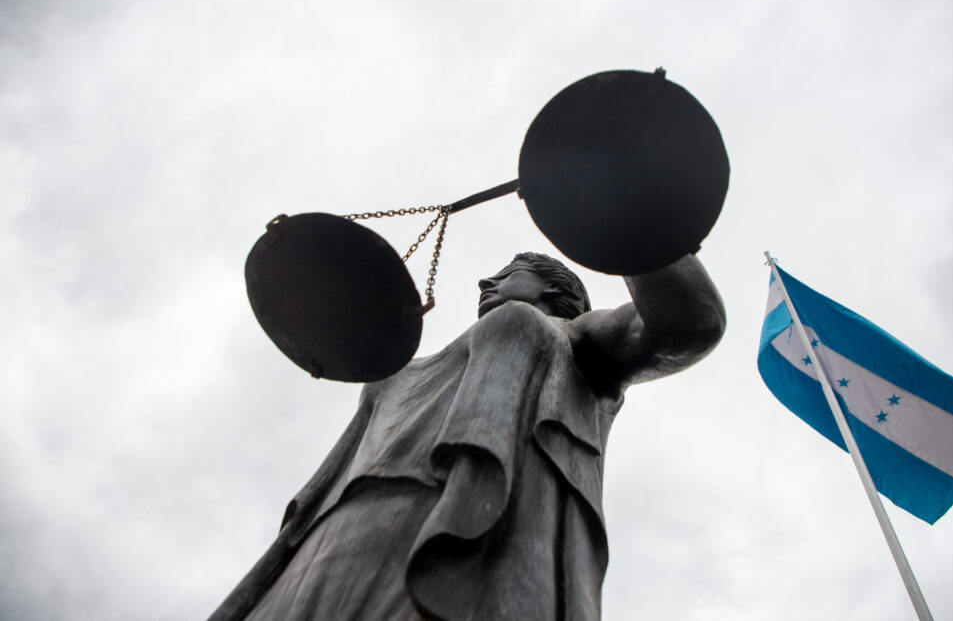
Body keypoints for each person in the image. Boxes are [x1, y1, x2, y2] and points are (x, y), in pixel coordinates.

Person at [211, 251, 725, 621]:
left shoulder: (575, 339)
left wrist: (625, 217)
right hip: (331, 541)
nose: (485, 281)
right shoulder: (401, 369)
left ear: (553, 289)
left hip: (480, 528)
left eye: (508, 274)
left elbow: (687, 324)